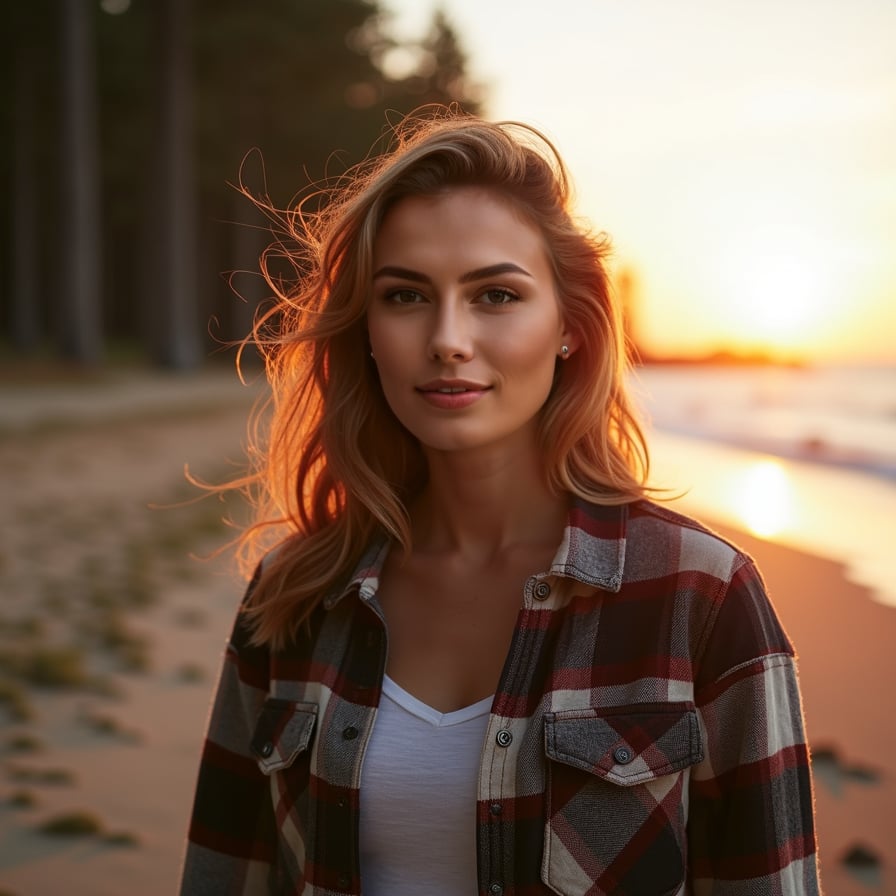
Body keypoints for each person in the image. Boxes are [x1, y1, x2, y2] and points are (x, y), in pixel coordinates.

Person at [180, 108, 820, 895]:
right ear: (367, 332)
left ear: (570, 328)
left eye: (496, 295)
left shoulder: (702, 596)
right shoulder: (295, 596)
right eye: (407, 296)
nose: (448, 337)